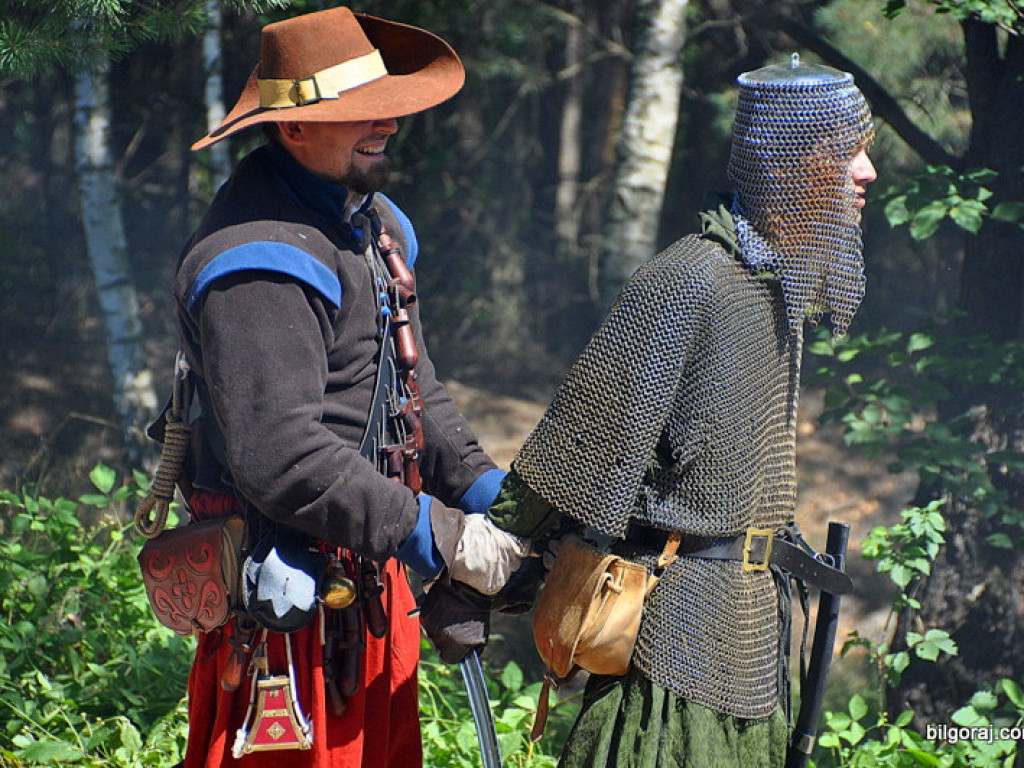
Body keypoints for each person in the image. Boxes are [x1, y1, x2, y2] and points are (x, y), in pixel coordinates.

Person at [423, 56, 877, 767]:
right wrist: (480, 571)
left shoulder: (774, 292)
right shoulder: (691, 281)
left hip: (750, 635)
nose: (866, 172)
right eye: (848, 151)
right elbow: (582, 452)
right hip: (675, 646)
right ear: (794, 161)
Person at [153, 6, 528, 767]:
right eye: (360, 115)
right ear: (293, 128)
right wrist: (435, 535)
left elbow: (412, 382)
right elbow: (281, 456)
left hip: (370, 561)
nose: (385, 126)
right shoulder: (256, 258)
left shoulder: (371, 221)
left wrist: (490, 494)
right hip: (293, 600)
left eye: (385, 109)